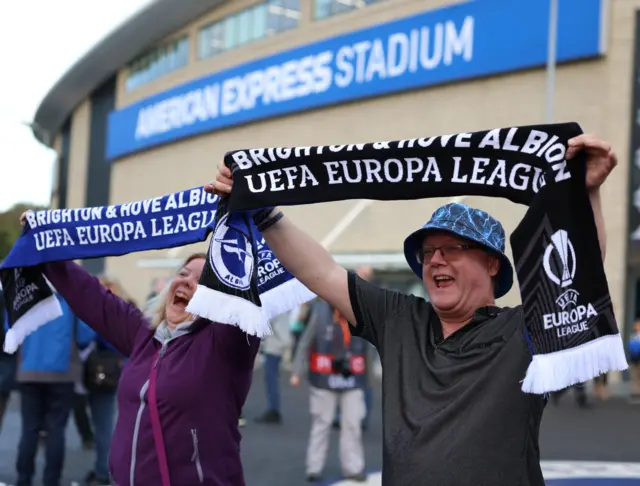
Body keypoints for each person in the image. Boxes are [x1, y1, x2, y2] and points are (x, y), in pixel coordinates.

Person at [209, 133, 617, 485]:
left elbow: (579, 277)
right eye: (427, 252)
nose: (435, 260)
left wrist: (586, 194)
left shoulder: (523, 332)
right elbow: (322, 272)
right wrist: (262, 210)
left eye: (452, 248)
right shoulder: (400, 320)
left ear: (492, 263)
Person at [16, 223, 261, 485]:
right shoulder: (143, 334)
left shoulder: (225, 347)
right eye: (183, 273)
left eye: (202, 281)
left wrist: (237, 218)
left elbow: (243, 296)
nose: (187, 281)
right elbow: (90, 296)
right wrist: (43, 243)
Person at [11, 292, 95, 486]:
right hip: (62, 371)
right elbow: (85, 335)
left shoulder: (26, 296)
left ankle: (23, 479)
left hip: (29, 369)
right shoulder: (70, 298)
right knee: (56, 430)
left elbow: (11, 328)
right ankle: (52, 480)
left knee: (29, 429)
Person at [291, 292, 369, 483]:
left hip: (352, 377)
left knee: (352, 425)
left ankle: (354, 467)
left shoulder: (361, 314)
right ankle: (314, 467)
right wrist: (297, 371)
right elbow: (305, 341)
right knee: (322, 423)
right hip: (323, 376)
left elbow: (371, 346)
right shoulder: (319, 312)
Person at [255, 311, 292, 424]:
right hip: (276, 346)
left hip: (273, 347)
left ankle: (273, 410)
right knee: (272, 378)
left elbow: (272, 328)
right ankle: (273, 408)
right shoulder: (283, 310)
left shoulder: (276, 311)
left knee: (271, 379)